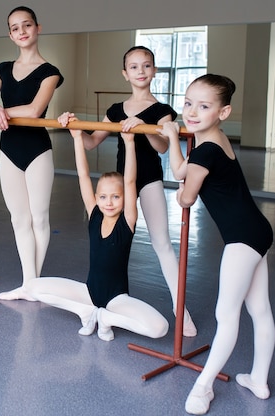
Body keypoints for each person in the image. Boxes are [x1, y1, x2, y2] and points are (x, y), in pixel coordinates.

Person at [58, 46, 197, 337]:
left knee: (162, 244)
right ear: (125, 74)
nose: (141, 72)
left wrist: (144, 127)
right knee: (111, 243)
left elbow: (162, 146)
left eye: (147, 66)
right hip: (123, 184)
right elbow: (91, 142)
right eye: (134, 67)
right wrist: (72, 126)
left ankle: (180, 309)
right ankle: (108, 297)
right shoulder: (116, 111)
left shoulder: (162, 111)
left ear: (154, 71)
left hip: (148, 180)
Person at [159, 74, 275, 415]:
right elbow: (185, 171)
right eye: (188, 103)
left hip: (242, 239)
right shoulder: (216, 139)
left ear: (223, 112)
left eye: (204, 106)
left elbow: (185, 194)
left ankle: (202, 387)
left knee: (226, 314)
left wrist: (170, 137)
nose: (192, 112)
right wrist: (178, 144)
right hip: (257, 231)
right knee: (259, 310)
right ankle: (259, 380)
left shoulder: (207, 150)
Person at [24, 125, 169, 342]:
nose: (108, 202)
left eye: (116, 197)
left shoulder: (127, 221)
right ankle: (87, 312)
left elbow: (130, 181)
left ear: (125, 198)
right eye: (103, 197)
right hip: (88, 293)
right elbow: (83, 175)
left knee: (160, 328)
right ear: (96, 197)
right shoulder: (94, 214)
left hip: (117, 298)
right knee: (31, 287)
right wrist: (76, 138)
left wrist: (129, 143)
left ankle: (105, 318)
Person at [0, 6, 63, 301]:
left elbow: (34, 111)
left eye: (27, 25)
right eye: (15, 28)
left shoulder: (50, 73)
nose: (21, 31)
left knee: (39, 218)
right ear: (10, 34)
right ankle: (29, 283)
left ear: (38, 28)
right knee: (18, 219)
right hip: (8, 150)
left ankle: (31, 285)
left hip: (37, 150)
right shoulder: (2, 69)